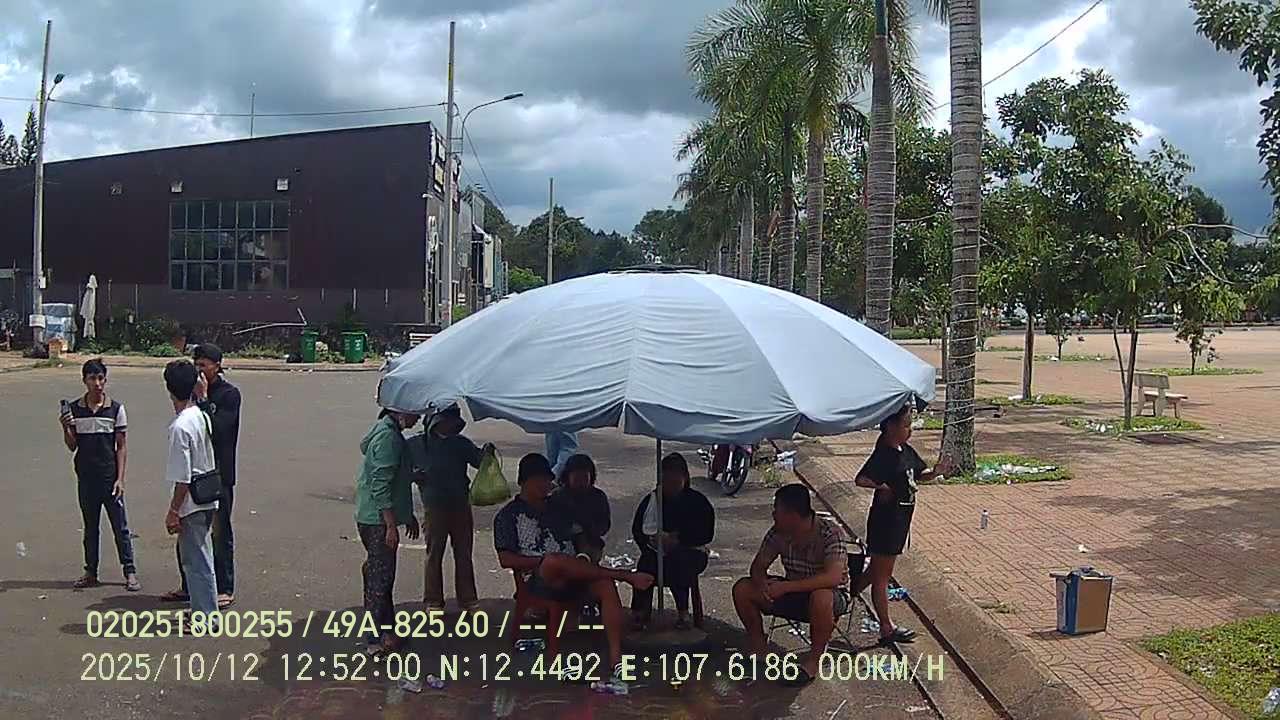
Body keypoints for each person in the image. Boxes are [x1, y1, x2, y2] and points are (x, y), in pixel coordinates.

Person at [494, 453, 654, 695]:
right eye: (540, 481)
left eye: (547, 480)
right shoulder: (508, 515)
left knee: (605, 585)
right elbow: (506, 559)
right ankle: (625, 575)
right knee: (553, 561)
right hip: (538, 577)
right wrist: (544, 561)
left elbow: (579, 536)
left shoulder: (559, 508)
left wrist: (583, 556)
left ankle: (616, 659)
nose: (546, 485)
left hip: (573, 570)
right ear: (525, 481)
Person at [851, 404, 950, 646]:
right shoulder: (883, 454)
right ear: (891, 427)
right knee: (882, 575)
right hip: (885, 521)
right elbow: (861, 479)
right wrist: (882, 487)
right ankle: (886, 627)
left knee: (878, 570)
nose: (910, 430)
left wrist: (936, 472)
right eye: (906, 425)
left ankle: (849, 591)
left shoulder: (905, 450)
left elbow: (918, 475)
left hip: (901, 520)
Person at [733, 484, 849, 686]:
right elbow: (758, 566)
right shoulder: (778, 532)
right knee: (743, 589)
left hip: (829, 597)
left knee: (821, 597)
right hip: (792, 591)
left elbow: (832, 578)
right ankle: (759, 648)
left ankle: (813, 662)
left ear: (792, 515)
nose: (773, 514)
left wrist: (786, 587)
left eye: (777, 510)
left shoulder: (830, 533)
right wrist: (763, 584)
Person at [164, 344, 241, 609]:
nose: (199, 370)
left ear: (217, 366)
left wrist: (205, 399)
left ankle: (225, 587)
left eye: (204, 365)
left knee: (219, 533)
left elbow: (220, 430)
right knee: (188, 537)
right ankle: (189, 586)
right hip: (197, 473)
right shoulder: (191, 393)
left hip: (219, 474)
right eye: (196, 365)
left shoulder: (229, 395)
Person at [59, 359, 139, 591]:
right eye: (92, 379)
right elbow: (72, 445)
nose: (97, 383)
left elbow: (121, 446)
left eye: (100, 378)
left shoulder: (115, 409)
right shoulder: (75, 410)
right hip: (86, 478)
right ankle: (91, 572)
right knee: (90, 528)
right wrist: (65, 427)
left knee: (120, 528)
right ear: (84, 381)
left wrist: (120, 479)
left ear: (105, 380)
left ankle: (130, 571)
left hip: (109, 478)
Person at [355, 408, 421, 657]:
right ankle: (374, 640)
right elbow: (380, 484)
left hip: (373, 517)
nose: (418, 419)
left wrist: (406, 515)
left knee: (382, 576)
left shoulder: (387, 431)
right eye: (415, 413)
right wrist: (391, 525)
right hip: (377, 521)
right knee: (379, 581)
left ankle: (388, 632)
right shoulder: (388, 438)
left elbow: (394, 478)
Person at [415, 405, 493, 611]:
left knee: (463, 553)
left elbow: (479, 461)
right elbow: (404, 467)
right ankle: (433, 600)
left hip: (460, 504)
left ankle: (468, 599)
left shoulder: (460, 443)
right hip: (434, 506)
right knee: (434, 553)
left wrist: (486, 454)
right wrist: (415, 475)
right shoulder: (418, 444)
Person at [161, 359, 219, 620]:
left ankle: (205, 616)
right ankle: (204, 609)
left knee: (196, 561)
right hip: (207, 493)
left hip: (192, 502)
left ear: (169, 389)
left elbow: (182, 477)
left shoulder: (180, 427)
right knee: (202, 557)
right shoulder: (200, 415)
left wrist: (173, 511)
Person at [630, 452, 714, 630]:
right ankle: (640, 612)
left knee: (679, 561)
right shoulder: (652, 501)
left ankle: (683, 613)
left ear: (685, 479)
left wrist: (678, 539)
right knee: (645, 564)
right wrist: (651, 542)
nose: (671, 486)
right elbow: (638, 529)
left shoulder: (698, 502)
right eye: (667, 481)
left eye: (675, 482)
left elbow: (706, 534)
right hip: (656, 551)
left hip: (691, 551)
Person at [549, 453, 611, 563]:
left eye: (584, 478)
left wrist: (589, 528)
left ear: (591, 477)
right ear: (567, 477)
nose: (581, 483)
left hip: (591, 543)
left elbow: (604, 525)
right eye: (577, 479)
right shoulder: (558, 496)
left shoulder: (598, 497)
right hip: (562, 543)